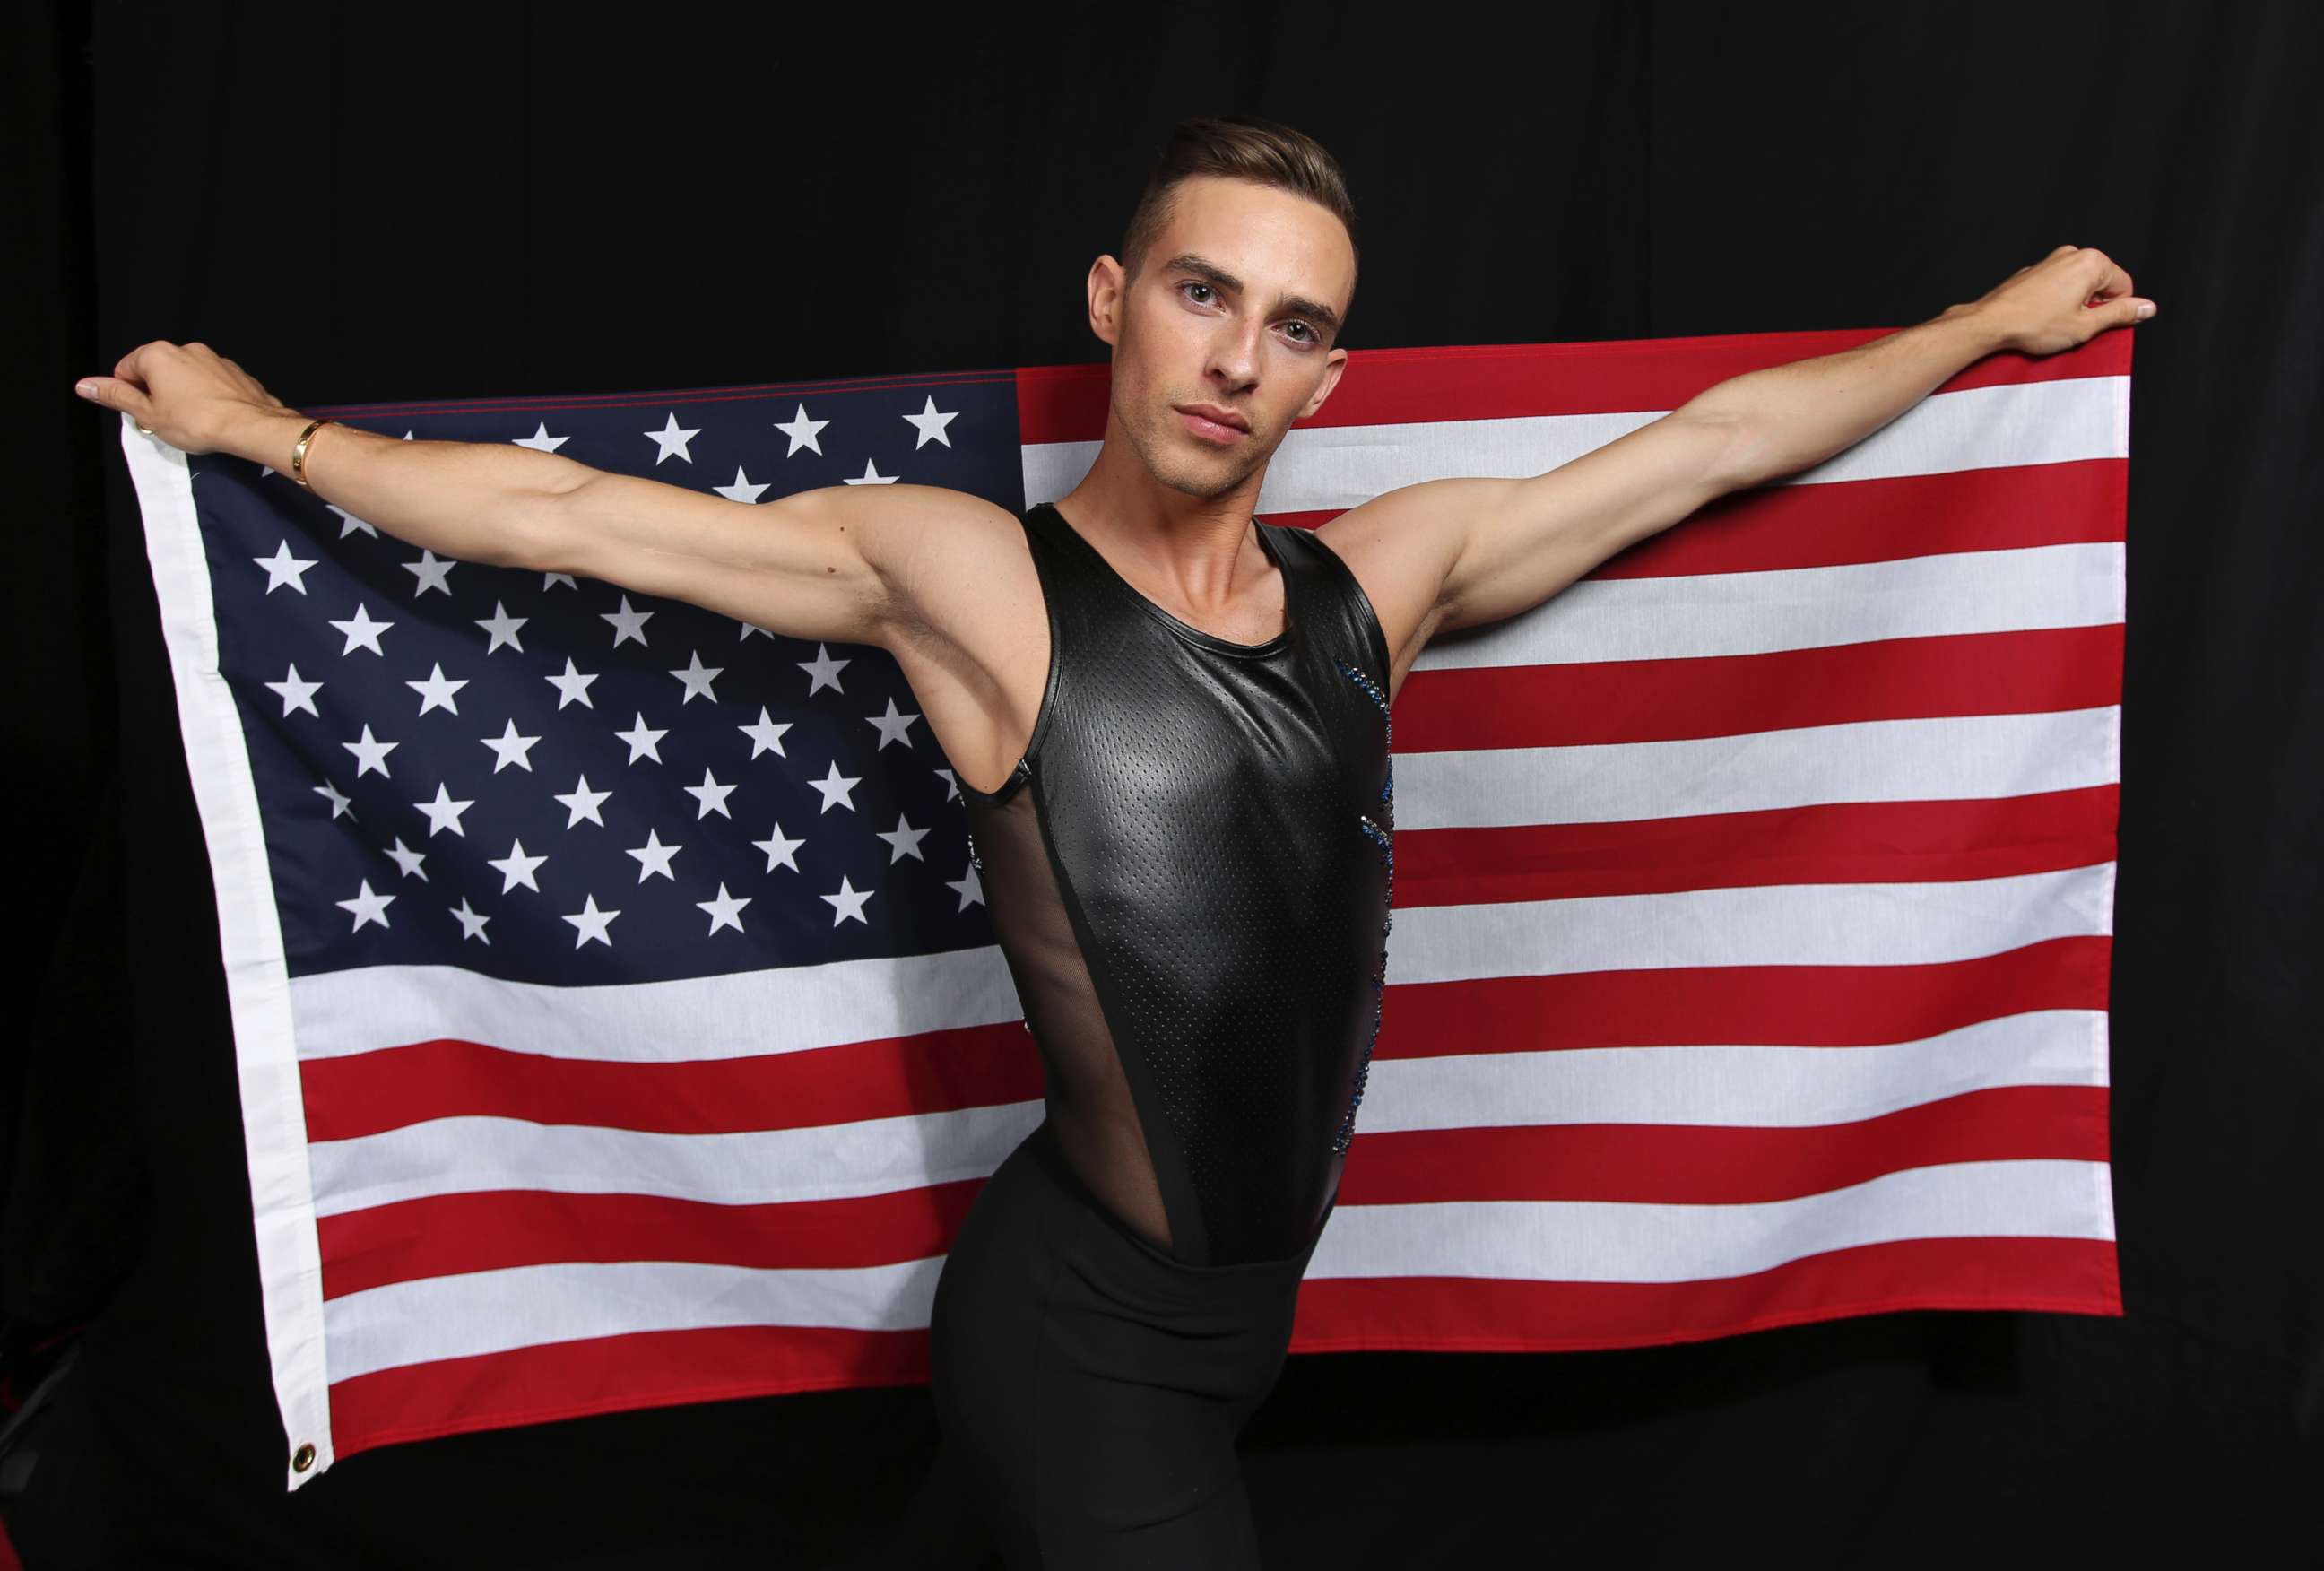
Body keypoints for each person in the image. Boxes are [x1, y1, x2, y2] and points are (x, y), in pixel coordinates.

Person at [74, 112, 2152, 1570]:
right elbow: (582, 523)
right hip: (1082, 1338)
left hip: (1234, 1335)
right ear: (1115, 298)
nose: (1239, 358)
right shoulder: (978, 585)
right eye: (1201, 291)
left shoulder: (1379, 587)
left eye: (1297, 324)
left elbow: (1705, 451)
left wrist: (1984, 327)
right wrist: (268, 436)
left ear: (1334, 371)